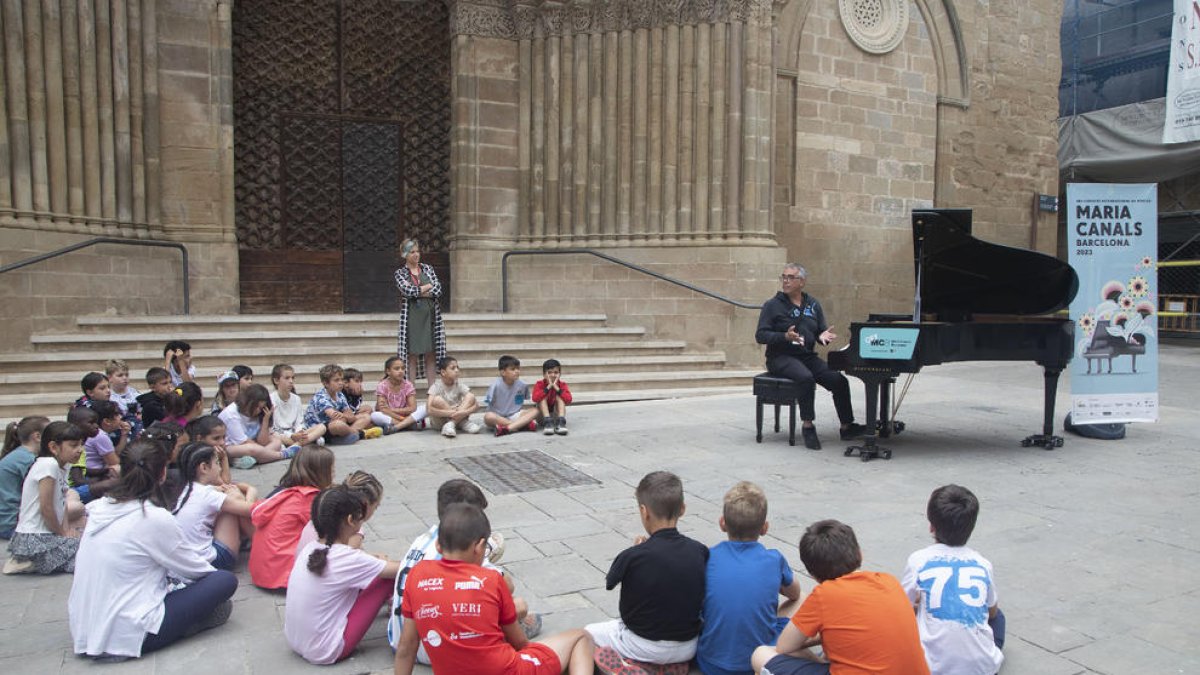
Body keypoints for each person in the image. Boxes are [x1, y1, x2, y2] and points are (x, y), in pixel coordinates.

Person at [68, 439, 237, 661]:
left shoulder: (99, 508)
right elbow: (195, 570)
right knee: (224, 581)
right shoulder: (153, 517)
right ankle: (181, 627)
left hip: (85, 627)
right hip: (129, 631)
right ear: (163, 473)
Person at [394, 503, 595, 675]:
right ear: (479, 546)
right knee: (580, 637)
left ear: (438, 545)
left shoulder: (417, 575)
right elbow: (520, 643)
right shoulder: (490, 579)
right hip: (506, 669)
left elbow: (407, 647)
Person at [387, 478, 540, 664]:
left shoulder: (422, 539)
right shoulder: (461, 551)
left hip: (400, 641)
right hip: (435, 648)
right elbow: (507, 586)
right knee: (519, 605)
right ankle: (511, 632)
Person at [750, 519, 930, 675]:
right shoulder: (889, 581)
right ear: (860, 553)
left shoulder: (824, 595)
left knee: (761, 654)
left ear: (812, 574)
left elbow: (784, 647)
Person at [585, 471, 708, 668]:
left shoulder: (633, 556)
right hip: (688, 645)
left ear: (644, 511)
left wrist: (637, 550)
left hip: (641, 643)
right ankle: (668, 667)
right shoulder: (700, 550)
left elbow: (610, 582)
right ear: (682, 509)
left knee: (586, 635)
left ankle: (633, 665)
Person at [285, 485, 401, 664]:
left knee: (376, 570)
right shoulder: (346, 557)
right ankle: (402, 614)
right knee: (386, 578)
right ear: (350, 520)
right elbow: (400, 569)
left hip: (296, 640)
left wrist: (375, 560)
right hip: (326, 650)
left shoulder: (310, 548)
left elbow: (351, 563)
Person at [754, 263, 866, 450]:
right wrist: (784, 336)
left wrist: (823, 337)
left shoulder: (813, 304)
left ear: (802, 282)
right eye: (784, 277)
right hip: (780, 357)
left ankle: (847, 426)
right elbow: (760, 335)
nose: (786, 281)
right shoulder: (772, 305)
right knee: (805, 378)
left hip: (806, 355)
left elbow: (820, 331)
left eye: (791, 277)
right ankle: (808, 425)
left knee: (838, 380)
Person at [696, 482, 801, 675]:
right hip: (758, 662)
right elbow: (795, 594)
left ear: (722, 523)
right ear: (765, 528)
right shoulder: (774, 559)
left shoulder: (707, 557)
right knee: (799, 604)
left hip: (710, 663)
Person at [902, 485, 1004, 675]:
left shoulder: (917, 560)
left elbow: (901, 609)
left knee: (919, 616)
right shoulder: (982, 563)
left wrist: (918, 607)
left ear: (932, 526)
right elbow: (991, 613)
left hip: (930, 668)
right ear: (971, 527)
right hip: (983, 669)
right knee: (1000, 617)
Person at [248, 444, 335, 589]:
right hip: (284, 576)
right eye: (332, 470)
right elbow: (331, 533)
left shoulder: (286, 492)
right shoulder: (308, 498)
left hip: (262, 573)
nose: (333, 474)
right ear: (322, 473)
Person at [5, 421, 87, 574]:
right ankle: (25, 561)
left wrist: (66, 530)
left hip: (46, 533)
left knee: (84, 540)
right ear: (53, 447)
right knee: (86, 556)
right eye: (74, 445)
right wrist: (62, 533)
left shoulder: (63, 465)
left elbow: (62, 503)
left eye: (81, 445)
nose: (80, 450)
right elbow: (46, 508)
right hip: (35, 537)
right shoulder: (48, 465)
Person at [172, 442, 259, 571]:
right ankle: (259, 543)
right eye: (217, 463)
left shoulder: (185, 488)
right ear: (204, 468)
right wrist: (252, 491)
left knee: (229, 497)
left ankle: (250, 540)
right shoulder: (207, 494)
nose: (219, 469)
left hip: (189, 558)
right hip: (214, 561)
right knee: (233, 499)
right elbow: (251, 510)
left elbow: (223, 485)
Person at [394, 238, 446, 390]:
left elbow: (438, 290)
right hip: (412, 317)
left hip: (431, 316)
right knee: (412, 354)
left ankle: (432, 390)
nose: (416, 255)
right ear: (405, 254)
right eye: (412, 252)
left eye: (417, 251)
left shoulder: (428, 269)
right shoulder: (400, 273)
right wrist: (427, 287)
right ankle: (411, 389)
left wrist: (421, 292)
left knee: (431, 353)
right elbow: (408, 291)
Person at [220, 383, 299, 468]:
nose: (258, 411)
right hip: (232, 447)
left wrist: (265, 420)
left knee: (276, 441)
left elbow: (263, 442)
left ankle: (249, 460)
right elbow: (244, 442)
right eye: (256, 407)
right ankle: (281, 455)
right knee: (251, 449)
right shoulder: (231, 415)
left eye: (261, 408)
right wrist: (262, 451)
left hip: (255, 445)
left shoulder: (261, 413)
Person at [0, 416, 50, 539]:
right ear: (37, 437)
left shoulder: (20, 455)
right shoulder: (28, 460)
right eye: (51, 434)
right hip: (12, 525)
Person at [304, 364, 380, 444]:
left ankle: (346, 436)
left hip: (337, 423)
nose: (341, 383)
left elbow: (351, 417)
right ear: (326, 383)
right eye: (336, 380)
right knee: (338, 424)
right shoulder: (321, 397)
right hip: (320, 429)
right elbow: (334, 416)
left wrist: (344, 416)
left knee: (365, 417)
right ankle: (360, 434)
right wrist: (344, 416)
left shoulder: (339, 394)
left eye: (341, 379)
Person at [270, 363, 327, 445]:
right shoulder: (271, 399)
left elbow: (299, 422)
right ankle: (303, 443)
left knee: (322, 427)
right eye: (287, 378)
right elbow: (274, 428)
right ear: (276, 380)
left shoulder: (296, 399)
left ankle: (297, 444)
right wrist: (291, 435)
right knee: (274, 436)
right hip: (282, 434)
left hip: (295, 433)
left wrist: (299, 432)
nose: (291, 381)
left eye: (292, 378)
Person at [426, 356, 481, 438]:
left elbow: (476, 405)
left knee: (470, 396)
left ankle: (452, 424)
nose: (457, 370)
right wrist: (453, 413)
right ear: (443, 372)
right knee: (436, 400)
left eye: (457, 367)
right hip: (440, 422)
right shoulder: (435, 387)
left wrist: (463, 412)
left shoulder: (459, 385)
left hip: (458, 416)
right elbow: (429, 409)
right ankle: (461, 423)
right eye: (453, 368)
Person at [484, 355, 540, 436]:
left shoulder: (522, 385)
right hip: (498, 417)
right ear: (503, 372)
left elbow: (521, 401)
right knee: (488, 417)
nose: (517, 371)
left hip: (515, 415)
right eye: (513, 369)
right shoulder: (495, 385)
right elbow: (488, 402)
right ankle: (520, 425)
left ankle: (507, 429)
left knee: (536, 410)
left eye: (518, 368)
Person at [372, 356, 428, 433]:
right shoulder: (382, 385)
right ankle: (407, 425)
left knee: (426, 407)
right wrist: (402, 419)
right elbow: (383, 409)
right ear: (388, 371)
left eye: (403, 368)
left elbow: (412, 408)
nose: (401, 371)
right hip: (392, 416)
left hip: (406, 415)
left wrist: (391, 410)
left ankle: (396, 427)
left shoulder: (408, 385)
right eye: (397, 369)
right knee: (375, 416)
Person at [532, 358, 573, 436]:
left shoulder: (562, 385)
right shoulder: (539, 384)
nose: (553, 375)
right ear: (544, 374)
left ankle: (561, 423)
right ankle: (548, 423)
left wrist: (557, 388)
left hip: (555, 415)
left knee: (560, 396)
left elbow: (568, 400)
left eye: (556, 372)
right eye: (549, 372)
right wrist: (548, 387)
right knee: (542, 397)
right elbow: (535, 398)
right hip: (542, 417)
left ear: (559, 374)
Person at [105, 359, 143, 439]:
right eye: (120, 375)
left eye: (126, 375)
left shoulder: (135, 394)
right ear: (109, 378)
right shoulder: (107, 396)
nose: (125, 378)